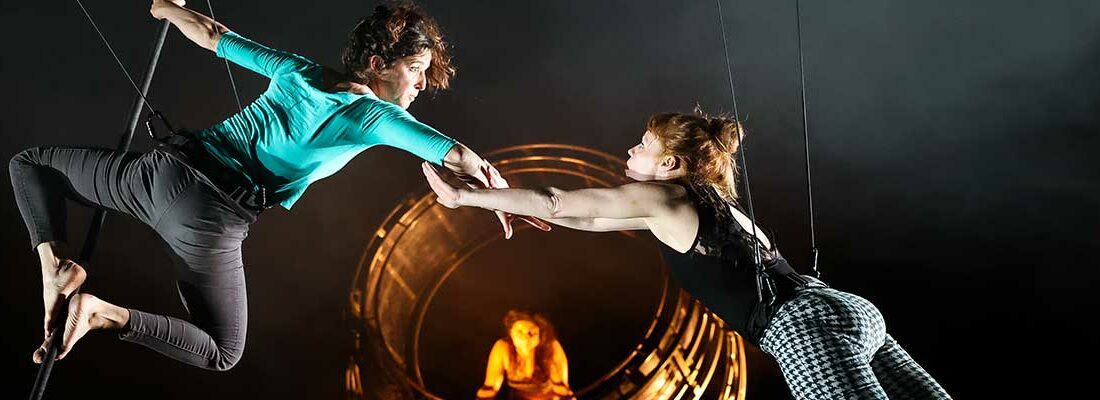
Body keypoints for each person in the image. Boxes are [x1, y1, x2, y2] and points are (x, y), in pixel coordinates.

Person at [10, 0, 544, 371]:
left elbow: (213, 35)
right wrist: (498, 197)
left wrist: (166, 11)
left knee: (29, 165)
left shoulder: (299, 70)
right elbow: (457, 153)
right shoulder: (370, 113)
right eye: (415, 68)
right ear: (379, 64)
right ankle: (102, 313)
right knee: (223, 351)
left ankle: (51, 263)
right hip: (207, 219)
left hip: (157, 175)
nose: (422, 84)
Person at [423, 111, 952, 399]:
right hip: (849, 310)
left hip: (803, 330)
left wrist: (464, 196)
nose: (630, 151)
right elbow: (585, 215)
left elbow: (559, 201)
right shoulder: (707, 200)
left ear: (670, 162)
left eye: (643, 145)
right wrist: (518, 203)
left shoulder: (667, 198)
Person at [477, 310, 572, 400]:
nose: (526, 338)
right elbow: (490, 387)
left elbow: (561, 389)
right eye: (519, 332)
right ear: (511, 334)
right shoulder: (503, 349)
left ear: (540, 334)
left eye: (532, 332)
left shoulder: (550, 348)